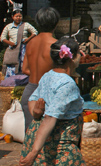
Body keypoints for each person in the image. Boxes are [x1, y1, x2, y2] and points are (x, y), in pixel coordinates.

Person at [19, 37, 84, 166]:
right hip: (58, 145)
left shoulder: (48, 75)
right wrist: (33, 153)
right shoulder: (67, 84)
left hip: (38, 137)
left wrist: (35, 112)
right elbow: (49, 118)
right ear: (72, 58)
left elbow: (32, 99)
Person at [21, 7, 60, 132]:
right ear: (56, 23)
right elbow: (62, 73)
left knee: (30, 136)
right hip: (47, 94)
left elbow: (25, 69)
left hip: (29, 92)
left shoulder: (30, 43)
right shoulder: (56, 45)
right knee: (47, 138)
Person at [1, 10, 37, 77]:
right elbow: (2, 38)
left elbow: (35, 32)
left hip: (23, 48)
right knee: (12, 63)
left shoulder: (26, 25)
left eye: (20, 16)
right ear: (12, 17)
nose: (18, 18)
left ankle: (22, 79)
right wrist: (10, 43)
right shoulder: (8, 27)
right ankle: (11, 78)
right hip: (13, 49)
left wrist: (28, 39)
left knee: (23, 63)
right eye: (16, 16)